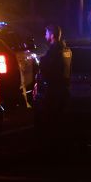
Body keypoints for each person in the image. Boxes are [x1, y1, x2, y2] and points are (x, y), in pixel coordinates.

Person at [33, 24, 72, 157]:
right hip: (64, 88)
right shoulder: (66, 49)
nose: (45, 36)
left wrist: (40, 62)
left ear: (52, 35)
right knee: (61, 118)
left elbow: (49, 68)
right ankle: (61, 147)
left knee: (52, 118)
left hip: (55, 89)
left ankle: (52, 150)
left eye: (47, 33)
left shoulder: (55, 51)